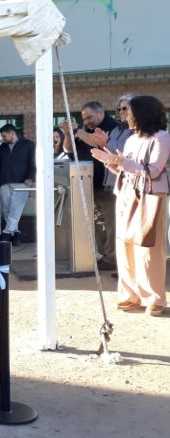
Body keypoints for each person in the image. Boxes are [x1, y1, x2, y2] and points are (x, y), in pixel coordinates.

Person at [91, 95, 169, 317]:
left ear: (142, 113)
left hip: (150, 196)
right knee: (125, 246)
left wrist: (121, 162)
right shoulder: (133, 139)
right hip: (125, 193)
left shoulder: (162, 137)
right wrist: (108, 160)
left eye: (129, 110)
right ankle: (130, 296)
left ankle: (154, 298)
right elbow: (125, 169)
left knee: (148, 248)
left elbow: (153, 171)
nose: (125, 115)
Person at [60, 102, 120, 270]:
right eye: (84, 118)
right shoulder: (83, 129)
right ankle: (105, 256)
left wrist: (78, 131)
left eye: (89, 117)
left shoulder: (112, 127)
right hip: (88, 185)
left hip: (107, 185)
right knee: (98, 224)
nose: (86, 121)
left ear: (100, 113)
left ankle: (113, 258)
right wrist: (68, 133)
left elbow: (100, 144)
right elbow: (69, 150)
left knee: (111, 224)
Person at [0, 123, 36, 245]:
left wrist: (30, 178)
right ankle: (16, 235)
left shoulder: (28, 145)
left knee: (15, 210)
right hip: (5, 182)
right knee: (7, 211)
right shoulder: (2, 147)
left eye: (4, 136)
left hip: (22, 183)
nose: (3, 139)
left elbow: (34, 163)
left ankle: (6, 234)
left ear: (12, 133)